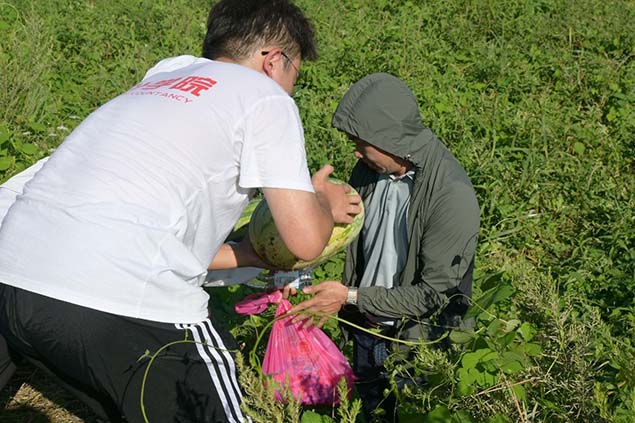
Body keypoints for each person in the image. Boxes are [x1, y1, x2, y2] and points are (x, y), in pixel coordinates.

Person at [0, 1, 361, 422]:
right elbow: (306, 241)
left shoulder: (164, 80)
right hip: (117, 297)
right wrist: (323, 201)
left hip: (13, 275)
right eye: (295, 73)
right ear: (274, 60)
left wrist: (249, 255)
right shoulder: (264, 95)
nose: (292, 89)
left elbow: (138, 229)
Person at [288, 73, 480, 422]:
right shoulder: (368, 171)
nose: (356, 151)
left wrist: (349, 296)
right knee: (369, 413)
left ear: (389, 138)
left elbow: (434, 296)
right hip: (367, 329)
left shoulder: (451, 195)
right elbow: (345, 233)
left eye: (361, 143)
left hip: (416, 344)